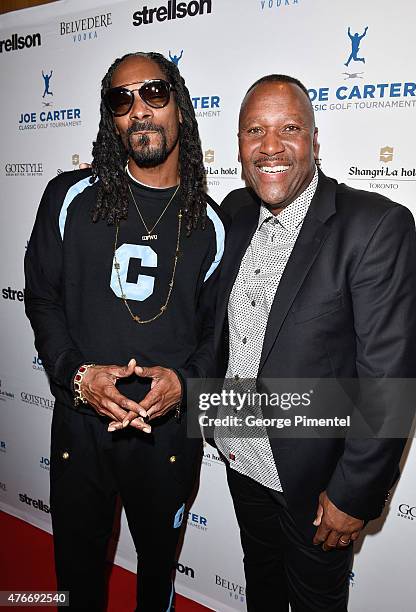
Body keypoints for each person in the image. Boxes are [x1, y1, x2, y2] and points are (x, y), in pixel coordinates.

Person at [213, 75, 416, 611]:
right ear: (239, 143)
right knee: (261, 590)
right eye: (254, 131)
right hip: (242, 463)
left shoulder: (375, 225)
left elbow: (391, 378)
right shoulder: (234, 213)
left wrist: (352, 495)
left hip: (316, 487)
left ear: (314, 140)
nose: (270, 146)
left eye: (289, 129)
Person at [24, 51, 226, 612]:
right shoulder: (68, 196)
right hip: (81, 427)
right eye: (121, 99)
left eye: (154, 94)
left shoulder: (211, 224)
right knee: (75, 582)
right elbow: (42, 299)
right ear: (111, 118)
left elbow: (217, 336)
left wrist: (185, 384)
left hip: (166, 439)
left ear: (180, 107)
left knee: (157, 579)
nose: (139, 110)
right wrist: (77, 376)